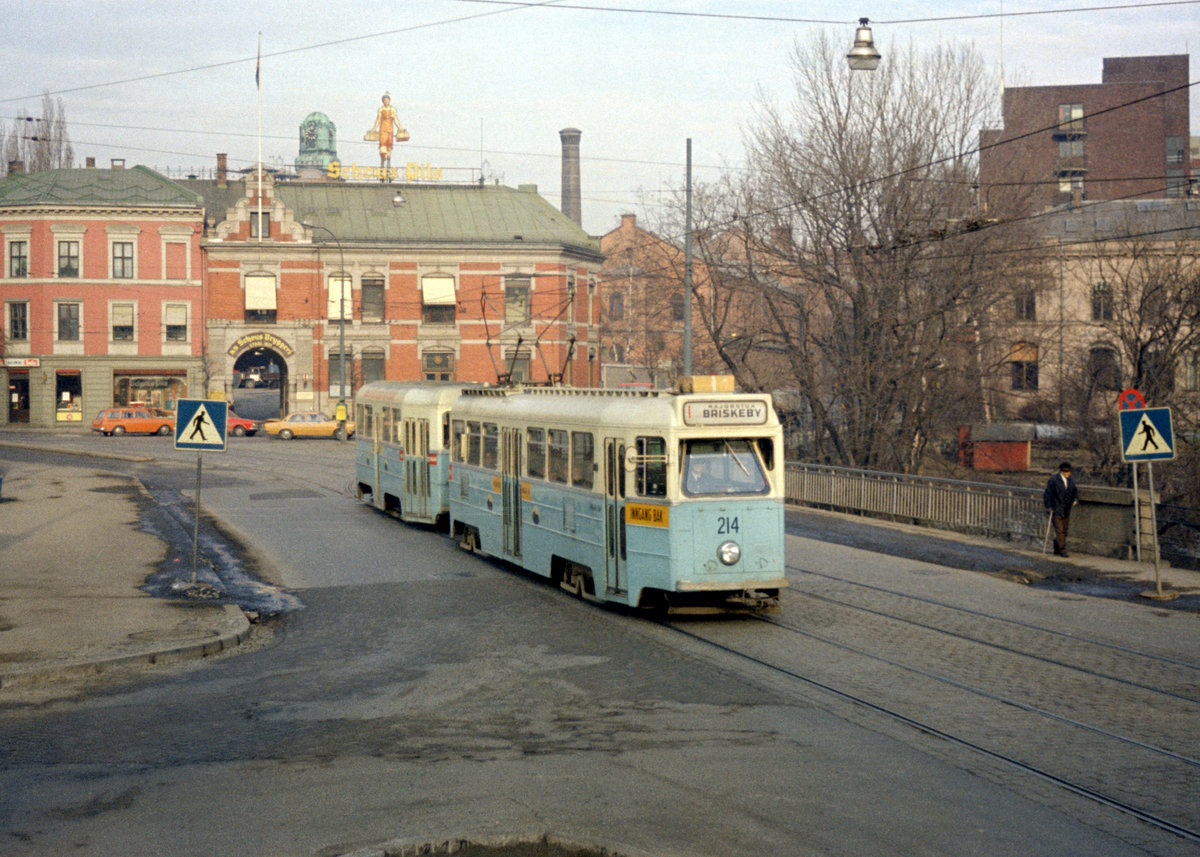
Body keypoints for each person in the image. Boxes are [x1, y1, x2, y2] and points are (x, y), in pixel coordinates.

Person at [365, 93, 408, 180]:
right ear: (383, 101)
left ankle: (388, 169)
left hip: (390, 129)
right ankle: (383, 167)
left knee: (389, 150)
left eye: (387, 100)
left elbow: (395, 119)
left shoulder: (392, 109)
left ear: (389, 101)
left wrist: (400, 128)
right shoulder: (381, 109)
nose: (386, 102)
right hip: (383, 129)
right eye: (385, 100)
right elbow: (378, 120)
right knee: (383, 149)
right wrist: (373, 129)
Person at [1043, 461, 1079, 557]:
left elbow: (1074, 491)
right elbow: (1048, 493)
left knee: (1064, 530)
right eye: (1067, 472)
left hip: (1066, 509)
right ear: (1062, 472)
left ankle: (1057, 547)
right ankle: (1062, 549)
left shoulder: (1070, 480)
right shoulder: (1054, 480)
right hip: (1056, 508)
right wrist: (1048, 506)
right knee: (1059, 530)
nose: (1069, 474)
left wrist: (1076, 499)